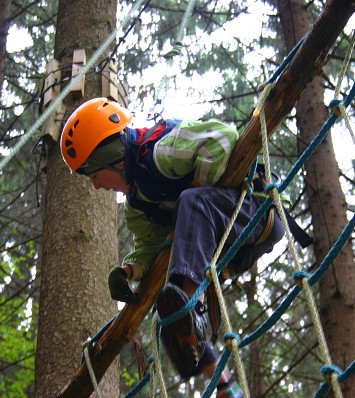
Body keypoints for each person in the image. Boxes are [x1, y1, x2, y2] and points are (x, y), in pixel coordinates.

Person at [60, 97, 304, 398]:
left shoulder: (163, 151)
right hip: (228, 247)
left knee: (191, 207)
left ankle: (189, 309)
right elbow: (149, 245)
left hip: (254, 211)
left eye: (94, 175)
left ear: (111, 155)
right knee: (169, 306)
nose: (97, 187)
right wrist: (129, 269)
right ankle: (224, 383)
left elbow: (221, 137)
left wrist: (199, 185)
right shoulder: (136, 205)